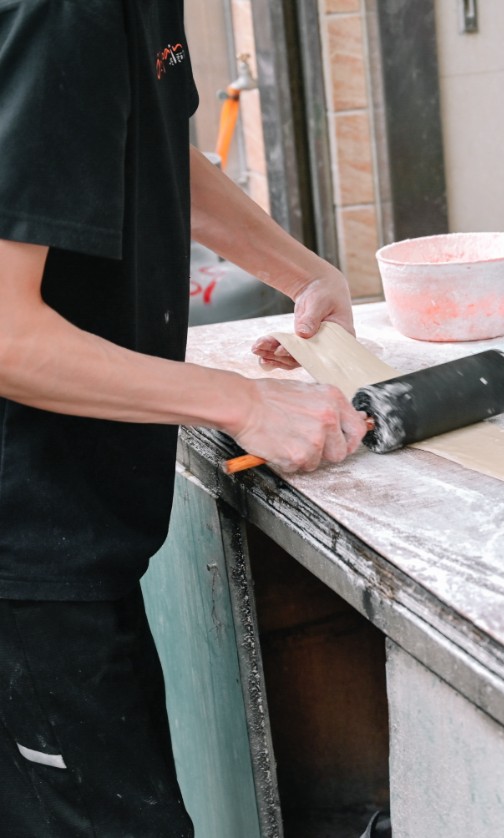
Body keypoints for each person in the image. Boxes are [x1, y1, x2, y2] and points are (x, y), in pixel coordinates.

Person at [0, 1, 367, 833]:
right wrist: (243, 402)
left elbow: (152, 152)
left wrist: (304, 272)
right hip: (24, 564)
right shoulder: (62, 11)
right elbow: (6, 335)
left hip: (80, 536)